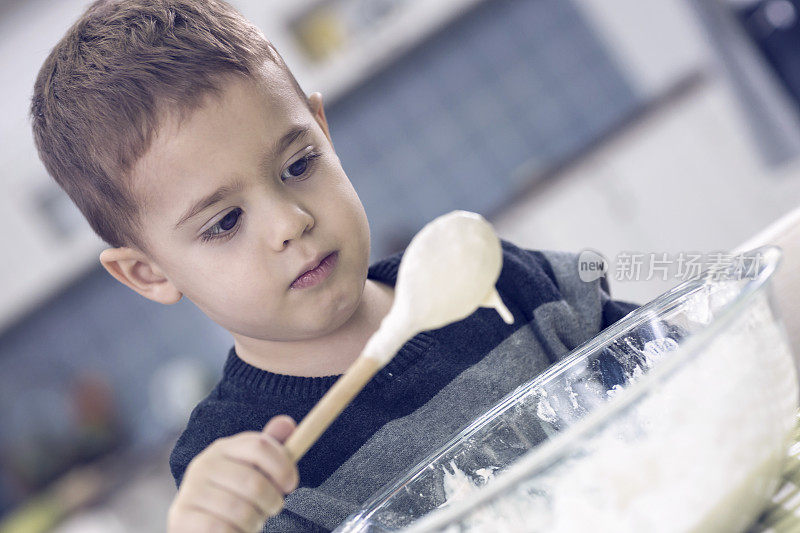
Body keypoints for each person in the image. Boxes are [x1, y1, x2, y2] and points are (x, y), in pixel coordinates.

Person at [29, 1, 640, 531]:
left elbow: (666, 363)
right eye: (225, 222)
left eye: (298, 165)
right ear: (150, 273)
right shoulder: (240, 467)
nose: (289, 223)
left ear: (323, 132)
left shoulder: (492, 280)